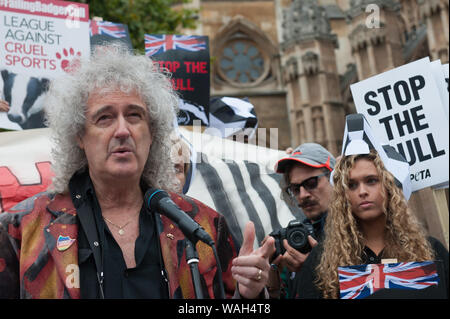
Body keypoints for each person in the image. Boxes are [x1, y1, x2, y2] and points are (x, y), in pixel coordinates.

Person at [0, 44, 274, 299]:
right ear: (79, 136)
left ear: (152, 132)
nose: (122, 130)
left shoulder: (201, 225)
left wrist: (250, 293)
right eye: (104, 117)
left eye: (134, 115)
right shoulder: (21, 229)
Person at [294, 149, 449, 299]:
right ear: (343, 195)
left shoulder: (431, 251)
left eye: (371, 181)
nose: (362, 191)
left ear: (389, 187)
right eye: (352, 185)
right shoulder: (320, 262)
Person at [267, 143, 336, 298]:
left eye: (311, 183)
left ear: (334, 179)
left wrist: (312, 269)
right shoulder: (294, 240)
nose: (303, 195)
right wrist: (270, 285)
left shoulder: (361, 231)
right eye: (296, 189)